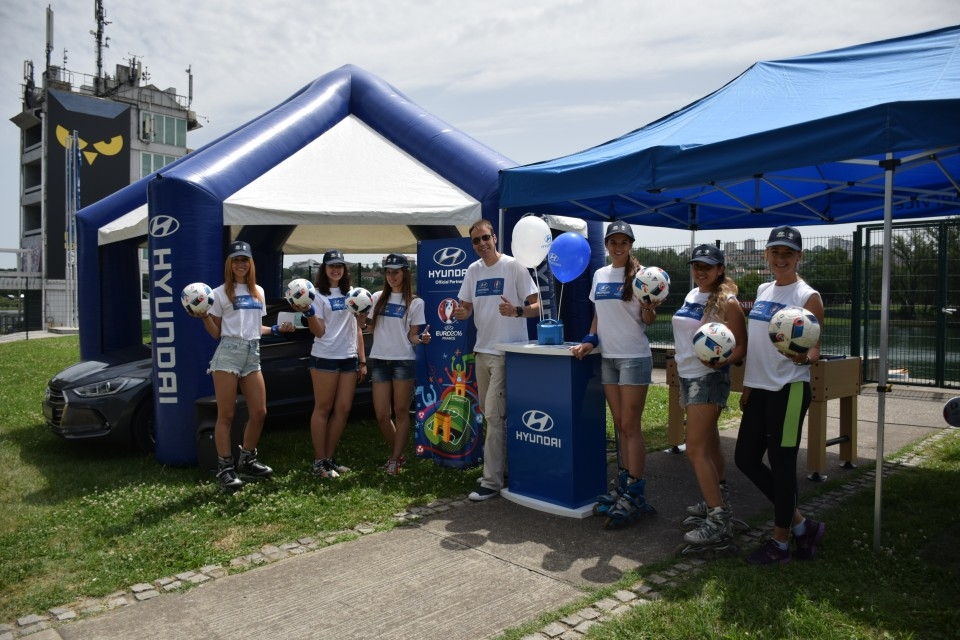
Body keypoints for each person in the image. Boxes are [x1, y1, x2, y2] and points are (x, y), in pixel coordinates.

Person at [735, 226, 826, 565]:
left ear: (799, 256)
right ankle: (803, 525)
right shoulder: (762, 289)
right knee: (744, 458)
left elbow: (815, 349)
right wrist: (747, 384)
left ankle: (781, 543)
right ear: (766, 255)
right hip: (759, 388)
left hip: (789, 390)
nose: (781, 258)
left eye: (788, 253)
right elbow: (757, 343)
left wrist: (803, 356)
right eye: (776, 251)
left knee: (783, 465)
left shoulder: (807, 296)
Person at [571, 221, 657, 525]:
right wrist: (589, 339)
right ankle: (625, 487)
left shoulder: (643, 275)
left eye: (623, 242)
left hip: (634, 356)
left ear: (630, 245)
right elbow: (598, 314)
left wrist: (649, 304)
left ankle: (635, 491)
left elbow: (648, 318)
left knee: (631, 425)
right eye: (613, 242)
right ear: (607, 245)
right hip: (608, 357)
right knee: (620, 424)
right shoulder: (600, 274)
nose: (618, 247)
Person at [193, 240, 294, 493]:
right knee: (226, 415)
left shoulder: (257, 291)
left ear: (250, 263)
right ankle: (225, 469)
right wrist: (205, 316)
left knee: (259, 412)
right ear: (230, 264)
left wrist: (275, 329)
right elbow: (216, 332)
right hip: (228, 352)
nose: (240, 264)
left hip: (253, 352)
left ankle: (247, 460)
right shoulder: (218, 293)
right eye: (236, 260)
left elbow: (254, 326)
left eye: (244, 260)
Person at [455, 219, 540, 501]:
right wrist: (462, 313)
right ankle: (500, 470)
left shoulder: (513, 266)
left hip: (506, 353)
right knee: (493, 416)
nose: (482, 244)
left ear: (495, 238)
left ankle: (491, 482)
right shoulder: (473, 270)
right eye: (476, 241)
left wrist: (517, 310)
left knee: (493, 414)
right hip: (482, 351)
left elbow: (537, 306)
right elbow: (465, 307)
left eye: (485, 238)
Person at [671, 244, 747, 548]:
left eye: (707, 266)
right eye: (696, 265)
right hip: (688, 377)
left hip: (708, 380)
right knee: (711, 443)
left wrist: (721, 361)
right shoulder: (693, 295)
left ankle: (717, 519)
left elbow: (741, 345)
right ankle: (719, 499)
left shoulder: (728, 302)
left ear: (720, 269)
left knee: (695, 450)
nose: (700, 271)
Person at [362, 253, 431, 475]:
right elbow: (369, 328)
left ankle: (394, 459)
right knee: (382, 414)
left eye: (396, 272)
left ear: (405, 273)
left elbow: (412, 336)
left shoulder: (415, 302)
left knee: (401, 412)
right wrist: (359, 317)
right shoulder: (376, 297)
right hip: (380, 359)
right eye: (388, 272)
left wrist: (421, 340)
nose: (391, 276)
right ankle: (400, 454)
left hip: (403, 361)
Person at [300, 249, 365, 478]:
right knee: (323, 409)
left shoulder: (352, 293)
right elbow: (318, 331)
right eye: (331, 266)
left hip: (349, 357)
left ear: (344, 269)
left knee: (343, 409)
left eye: (339, 265)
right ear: (324, 269)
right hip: (325, 357)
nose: (336, 269)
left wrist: (362, 360)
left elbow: (358, 328)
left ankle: (328, 459)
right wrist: (308, 312)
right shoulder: (316, 295)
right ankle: (318, 463)